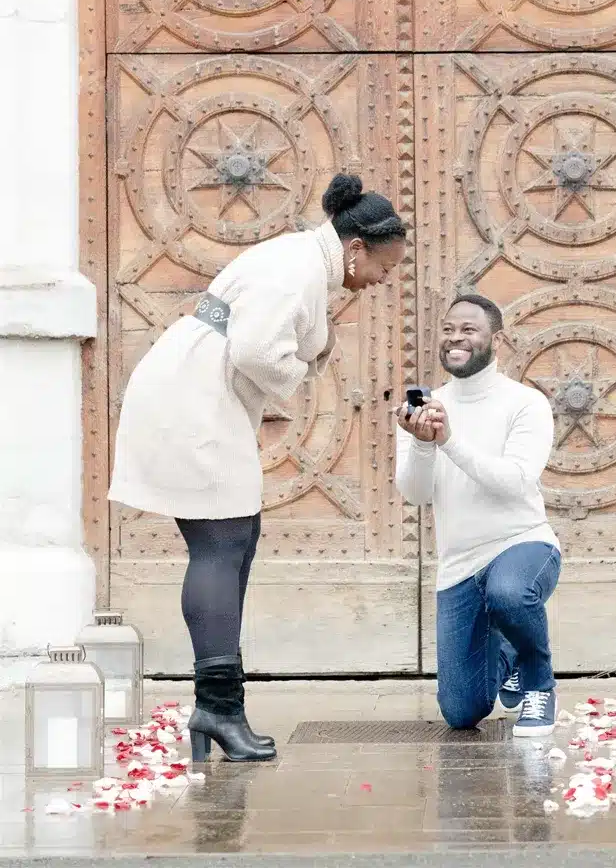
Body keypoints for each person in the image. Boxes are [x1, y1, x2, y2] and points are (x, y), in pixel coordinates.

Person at [109, 174, 406, 762]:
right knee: (220, 544)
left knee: (236, 539)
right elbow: (254, 351)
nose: (382, 281)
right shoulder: (296, 269)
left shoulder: (303, 261)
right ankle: (217, 707)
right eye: (385, 267)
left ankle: (219, 706)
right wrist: (297, 376)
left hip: (201, 395)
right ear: (356, 249)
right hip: (193, 400)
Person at [395, 294, 560, 738]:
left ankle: (538, 683)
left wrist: (449, 441)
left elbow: (516, 480)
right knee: (461, 712)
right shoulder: (426, 408)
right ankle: (505, 651)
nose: (456, 338)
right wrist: (423, 442)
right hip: (459, 566)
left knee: (509, 593)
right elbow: (414, 493)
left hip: (521, 543)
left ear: (496, 339)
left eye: (468, 329)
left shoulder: (525, 403)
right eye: (449, 329)